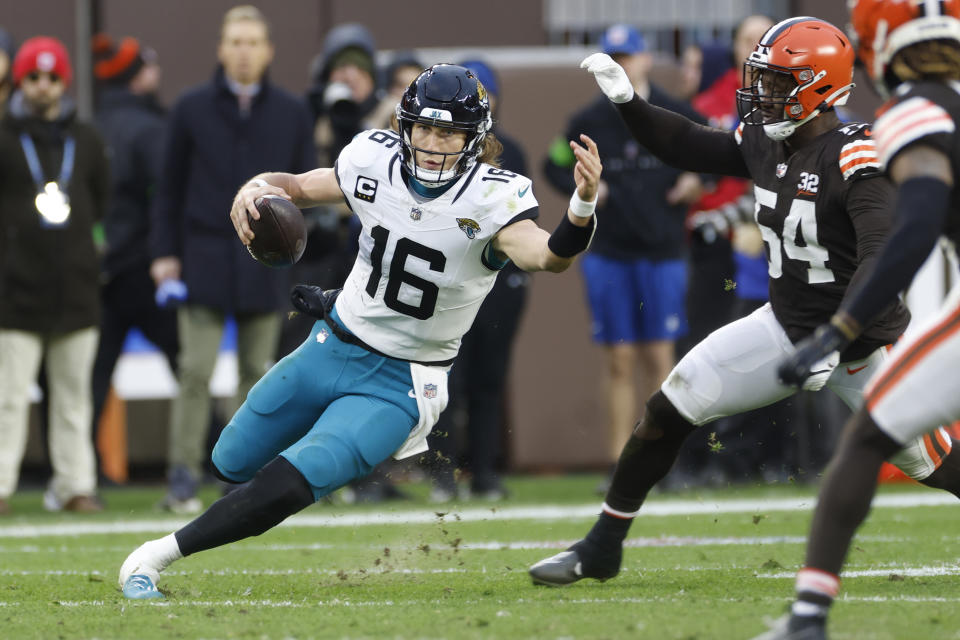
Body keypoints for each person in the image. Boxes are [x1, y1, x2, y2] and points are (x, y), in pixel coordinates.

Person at [117, 63, 602, 599]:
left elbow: (548, 256)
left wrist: (580, 206)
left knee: (298, 478)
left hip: (402, 381)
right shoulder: (373, 160)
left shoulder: (492, 198)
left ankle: (154, 558)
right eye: (424, 128)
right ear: (405, 126)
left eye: (448, 133)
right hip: (333, 343)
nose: (433, 144)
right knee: (229, 458)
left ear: (474, 139)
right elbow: (298, 187)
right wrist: (254, 188)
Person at [529, 16, 960, 589]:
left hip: (862, 344)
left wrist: (836, 334)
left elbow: (880, 255)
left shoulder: (858, 155)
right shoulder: (764, 139)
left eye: (779, 83)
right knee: (668, 409)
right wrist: (629, 101)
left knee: (935, 465)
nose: (762, 94)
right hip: (783, 326)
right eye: (761, 78)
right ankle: (601, 545)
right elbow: (684, 143)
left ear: (820, 86)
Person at [760, 2, 960, 638]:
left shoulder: (914, 112)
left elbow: (917, 221)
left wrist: (841, 329)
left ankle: (809, 617)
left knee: (871, 433)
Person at [150, 5, 315, 513]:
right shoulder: (190, 107)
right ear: (221, 49)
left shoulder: (292, 112)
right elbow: (168, 188)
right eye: (235, 42)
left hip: (264, 262)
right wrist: (165, 254)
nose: (243, 51)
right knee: (195, 370)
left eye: (252, 42)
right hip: (203, 255)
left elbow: (308, 188)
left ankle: (240, 476)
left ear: (268, 51)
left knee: (257, 373)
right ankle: (182, 474)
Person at [543, 24, 704, 482]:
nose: (622, 66)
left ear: (646, 60)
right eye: (613, 58)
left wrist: (699, 181)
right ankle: (621, 464)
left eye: (628, 57)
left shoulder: (676, 112)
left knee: (660, 357)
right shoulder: (587, 120)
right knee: (618, 360)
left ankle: (663, 464)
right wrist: (588, 191)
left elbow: (714, 157)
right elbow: (554, 162)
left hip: (664, 252)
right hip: (609, 251)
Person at [0, 36, 109, 514]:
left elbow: (101, 200)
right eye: (33, 77)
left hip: (76, 289)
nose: (43, 87)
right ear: (19, 82)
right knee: (8, 399)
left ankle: (75, 485)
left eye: (52, 77)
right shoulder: (3, 137)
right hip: (14, 292)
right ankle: (1, 485)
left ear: (64, 81)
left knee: (73, 401)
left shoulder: (85, 138)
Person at [426, 58, 531, 502]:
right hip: (451, 283)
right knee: (447, 379)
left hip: (498, 283)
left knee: (490, 379)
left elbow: (523, 228)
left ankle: (485, 471)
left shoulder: (513, 153)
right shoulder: (433, 155)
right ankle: (443, 472)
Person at [89, 34, 178, 471]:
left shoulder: (92, 125)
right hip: (145, 267)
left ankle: (80, 470)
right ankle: (217, 457)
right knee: (187, 362)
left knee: (94, 375)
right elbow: (167, 196)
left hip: (99, 270)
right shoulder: (151, 129)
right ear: (139, 74)